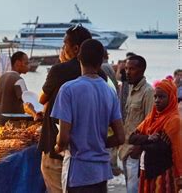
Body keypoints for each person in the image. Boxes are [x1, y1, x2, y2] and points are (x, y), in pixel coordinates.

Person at [38, 25, 106, 193]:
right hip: (88, 153)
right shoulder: (101, 77)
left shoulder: (60, 71)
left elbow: (42, 98)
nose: (62, 49)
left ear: (76, 49)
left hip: (59, 151)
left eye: (64, 45)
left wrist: (59, 147)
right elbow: (117, 132)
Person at [52, 39, 125, 192]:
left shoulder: (68, 89)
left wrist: (57, 147)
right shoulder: (109, 92)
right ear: (101, 63)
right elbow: (120, 137)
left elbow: (63, 138)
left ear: (79, 58)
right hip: (101, 172)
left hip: (78, 172)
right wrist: (97, 143)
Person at [128, 79, 182, 192]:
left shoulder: (173, 120)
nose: (157, 100)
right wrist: (148, 138)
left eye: (161, 97)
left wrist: (141, 145)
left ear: (171, 98)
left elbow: (160, 147)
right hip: (146, 170)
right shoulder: (151, 118)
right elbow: (132, 138)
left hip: (162, 171)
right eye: (155, 97)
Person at [118, 54, 154, 193]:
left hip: (136, 151)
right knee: (129, 188)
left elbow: (150, 123)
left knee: (136, 189)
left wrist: (139, 147)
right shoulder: (131, 91)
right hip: (126, 148)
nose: (127, 72)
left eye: (132, 69)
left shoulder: (148, 92)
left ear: (142, 70)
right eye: (126, 68)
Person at [0, 51, 31, 125]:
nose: (29, 66)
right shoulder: (18, 80)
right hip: (12, 122)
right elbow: (27, 103)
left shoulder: (2, 77)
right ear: (18, 63)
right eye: (26, 63)